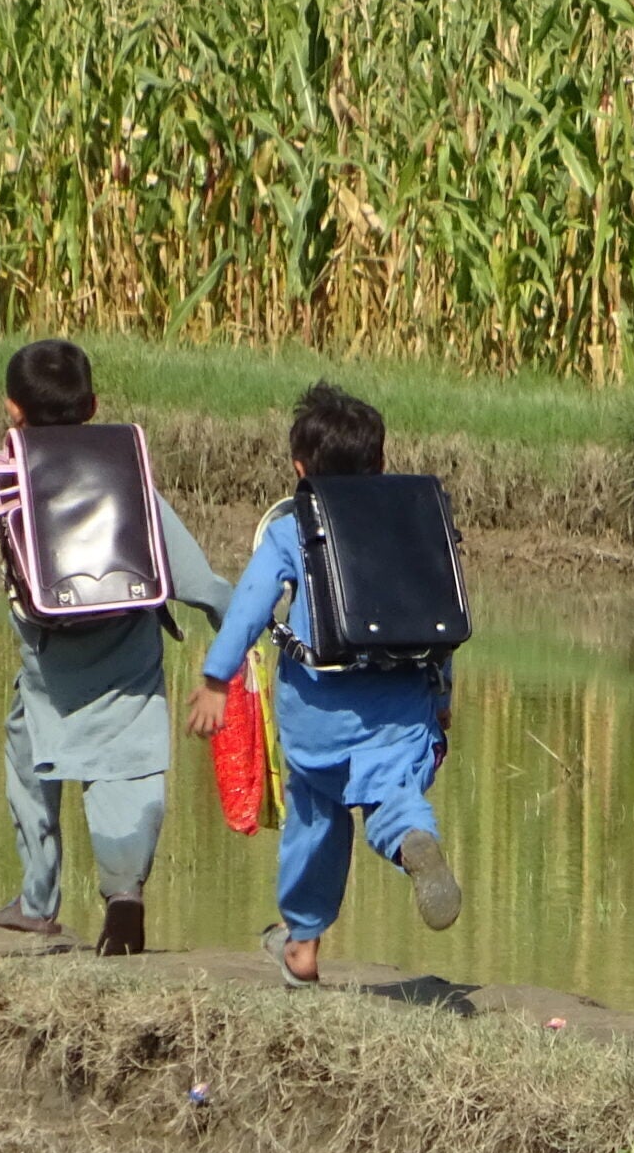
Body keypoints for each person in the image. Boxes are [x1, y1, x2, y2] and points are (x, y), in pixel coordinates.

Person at [0, 340, 230, 955]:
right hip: (128, 655)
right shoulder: (128, 473)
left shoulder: (4, 471)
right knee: (128, 771)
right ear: (94, 405)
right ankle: (125, 895)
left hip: (48, 661)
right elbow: (195, 581)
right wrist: (238, 630)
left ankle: (37, 900)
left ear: (12, 410)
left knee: (30, 759)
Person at [186, 383, 461, 988]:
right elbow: (438, 616)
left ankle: (301, 945)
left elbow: (251, 607)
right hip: (399, 706)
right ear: (381, 463)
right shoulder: (415, 520)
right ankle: (412, 837)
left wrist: (215, 677)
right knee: (395, 796)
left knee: (314, 820)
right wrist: (441, 698)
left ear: (299, 470)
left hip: (317, 712)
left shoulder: (291, 529)